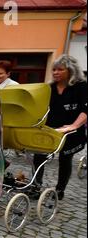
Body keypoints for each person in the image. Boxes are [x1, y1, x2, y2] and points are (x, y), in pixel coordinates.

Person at [32, 55, 87, 200]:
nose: (55, 72)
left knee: (65, 159)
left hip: (71, 131)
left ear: (70, 70)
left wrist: (74, 125)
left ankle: (59, 190)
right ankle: (36, 186)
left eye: (60, 69)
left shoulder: (81, 86)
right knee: (38, 156)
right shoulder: (49, 88)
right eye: (54, 69)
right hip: (50, 130)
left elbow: (85, 109)